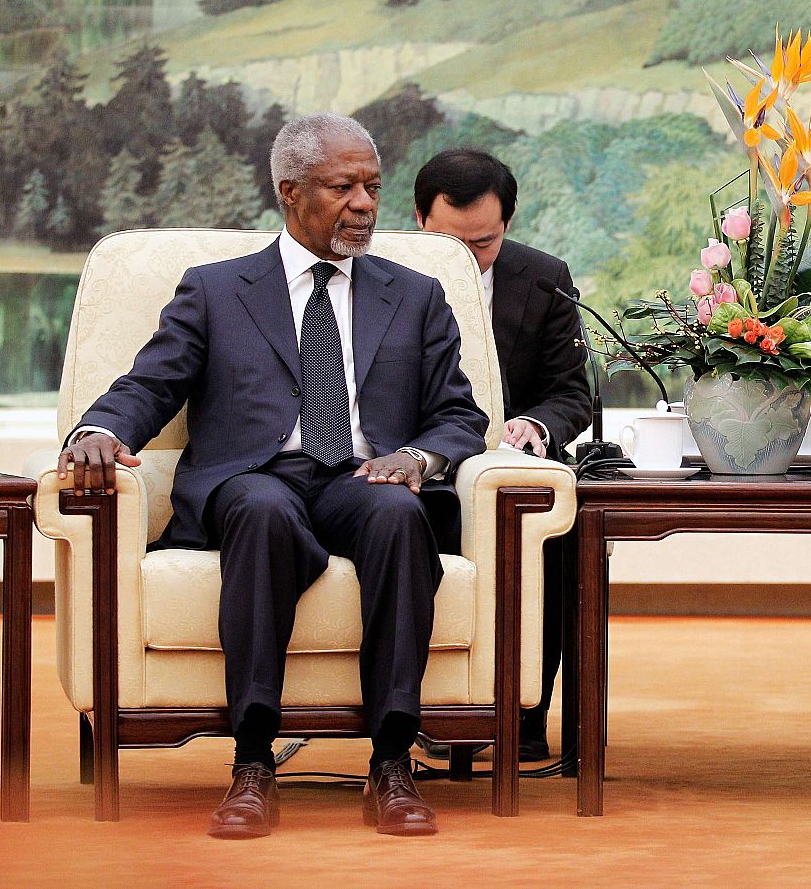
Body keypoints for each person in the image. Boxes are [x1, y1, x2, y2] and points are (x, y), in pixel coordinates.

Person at [57, 113, 490, 839]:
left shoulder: (414, 296)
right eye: (342, 186)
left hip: (364, 476)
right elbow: (150, 384)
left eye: (373, 187)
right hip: (257, 476)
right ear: (290, 191)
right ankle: (252, 763)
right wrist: (98, 429)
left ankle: (392, 763)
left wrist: (416, 459)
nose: (364, 203)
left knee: (398, 512)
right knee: (259, 508)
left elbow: (458, 415)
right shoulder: (218, 290)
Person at [414, 147, 590, 763]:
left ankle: (527, 713)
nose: (465, 259)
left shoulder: (543, 278)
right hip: (417, 464)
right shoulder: (379, 276)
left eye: (482, 244)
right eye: (448, 243)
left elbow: (572, 393)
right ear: (418, 221)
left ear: (507, 226)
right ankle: (431, 715)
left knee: (547, 527)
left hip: (506, 462)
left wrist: (535, 424)